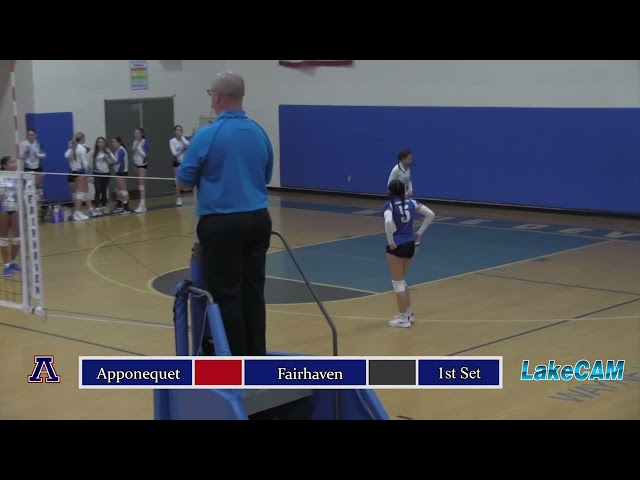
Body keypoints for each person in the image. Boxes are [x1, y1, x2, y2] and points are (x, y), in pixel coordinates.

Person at [176, 71, 273, 357]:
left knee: (226, 296)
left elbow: (183, 181)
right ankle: (257, 359)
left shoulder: (208, 134)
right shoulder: (259, 132)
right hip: (258, 220)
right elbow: (265, 176)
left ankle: (235, 365)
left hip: (222, 224)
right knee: (253, 293)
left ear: (216, 97)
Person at [384, 179, 433, 328]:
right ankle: (409, 313)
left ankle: (403, 318)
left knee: (397, 283)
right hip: (410, 244)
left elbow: (387, 222)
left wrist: (390, 240)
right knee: (402, 280)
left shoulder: (390, 204)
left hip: (397, 245)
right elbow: (430, 214)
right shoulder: (411, 202)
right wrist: (419, 233)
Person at [387, 149, 435, 245]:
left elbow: (409, 180)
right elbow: (389, 185)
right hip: (397, 200)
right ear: (402, 159)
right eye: (409, 158)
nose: (411, 161)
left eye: (411, 158)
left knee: (430, 214)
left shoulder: (408, 168)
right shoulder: (396, 170)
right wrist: (400, 193)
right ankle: (394, 240)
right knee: (397, 222)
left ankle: (417, 235)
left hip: (407, 199)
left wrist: (410, 190)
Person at [0, 156, 22, 277]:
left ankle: (13, 261)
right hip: (2, 209)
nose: (15, 164)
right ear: (5, 165)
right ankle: (6, 265)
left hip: (15, 209)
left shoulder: (19, 176)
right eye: (12, 162)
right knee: (3, 239)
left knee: (17, 238)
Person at [64, 132, 90, 221]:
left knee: (77, 194)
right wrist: (88, 174)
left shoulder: (79, 148)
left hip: (72, 173)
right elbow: (84, 162)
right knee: (79, 194)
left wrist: (71, 147)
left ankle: (77, 212)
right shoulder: (79, 149)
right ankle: (77, 212)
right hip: (79, 173)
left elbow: (66, 156)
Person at [169, 125, 190, 207]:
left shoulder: (183, 139)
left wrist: (182, 139)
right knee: (177, 180)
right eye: (177, 130)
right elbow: (174, 153)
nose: (179, 132)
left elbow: (189, 145)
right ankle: (178, 198)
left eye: (180, 130)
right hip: (177, 162)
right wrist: (181, 149)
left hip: (185, 162)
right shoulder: (172, 141)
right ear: (174, 132)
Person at [131, 128, 149, 213]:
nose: (136, 134)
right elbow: (133, 152)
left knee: (142, 184)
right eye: (135, 133)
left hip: (142, 165)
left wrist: (138, 148)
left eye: (137, 133)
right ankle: (141, 203)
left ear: (141, 134)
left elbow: (145, 155)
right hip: (136, 165)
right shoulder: (135, 142)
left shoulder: (144, 142)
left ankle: (143, 205)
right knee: (139, 184)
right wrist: (134, 148)